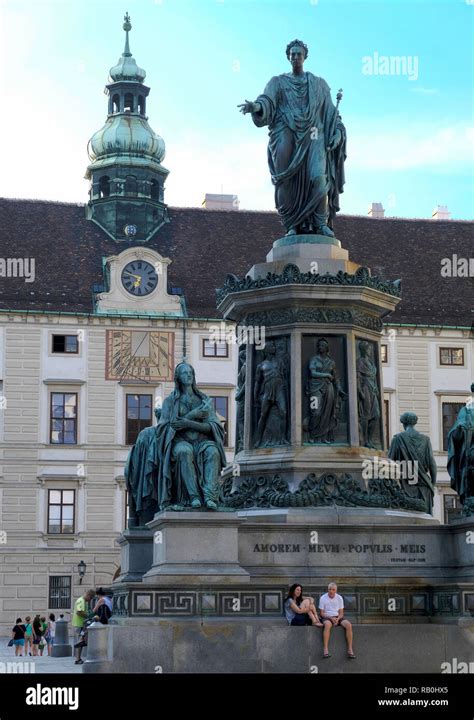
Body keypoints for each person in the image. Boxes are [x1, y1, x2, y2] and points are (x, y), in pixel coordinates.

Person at [239, 39, 346, 237]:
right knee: (285, 180)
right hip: (285, 133)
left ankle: (321, 223)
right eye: (292, 54)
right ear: (288, 57)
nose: (296, 57)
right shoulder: (277, 83)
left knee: (318, 178)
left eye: (299, 53)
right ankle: (292, 225)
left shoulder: (319, 85)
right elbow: (267, 102)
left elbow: (333, 116)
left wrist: (338, 133)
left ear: (305, 56)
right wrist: (256, 107)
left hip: (315, 136)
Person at [155, 363, 227, 510]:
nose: (188, 375)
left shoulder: (204, 400)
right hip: (181, 441)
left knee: (213, 452)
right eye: (184, 373)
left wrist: (187, 423)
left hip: (203, 441)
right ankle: (193, 497)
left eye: (190, 373)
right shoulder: (170, 401)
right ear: (178, 378)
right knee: (184, 452)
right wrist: (193, 416)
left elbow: (213, 427)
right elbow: (167, 427)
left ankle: (210, 497)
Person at [388, 412, 437, 513]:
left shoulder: (398, 439)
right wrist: (432, 483)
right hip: (424, 485)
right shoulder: (425, 440)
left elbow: (390, 463)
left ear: (403, 423)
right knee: (425, 522)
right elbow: (432, 463)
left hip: (404, 485)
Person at [319, 582, 355, 658]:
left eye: (333, 590)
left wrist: (338, 619)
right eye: (329, 589)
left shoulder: (339, 598)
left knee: (348, 625)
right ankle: (325, 649)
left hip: (338, 616)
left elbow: (341, 613)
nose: (331, 591)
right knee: (328, 625)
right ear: (327, 589)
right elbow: (322, 613)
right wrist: (331, 618)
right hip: (327, 616)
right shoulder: (323, 598)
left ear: (336, 590)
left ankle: (350, 649)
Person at [72, 589, 95, 665]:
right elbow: (79, 612)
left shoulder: (83, 601)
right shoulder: (81, 600)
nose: (90, 600)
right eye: (91, 598)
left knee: (81, 642)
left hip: (80, 624)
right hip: (79, 624)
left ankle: (78, 658)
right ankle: (78, 659)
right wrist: (88, 616)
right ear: (88, 595)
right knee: (80, 642)